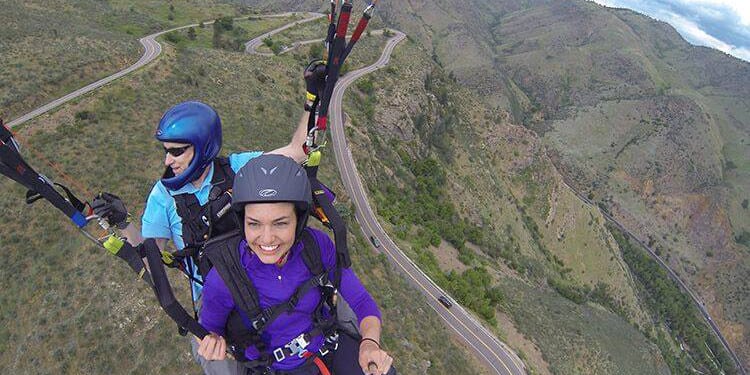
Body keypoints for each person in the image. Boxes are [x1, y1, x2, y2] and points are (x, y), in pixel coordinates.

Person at [92, 100, 311, 375]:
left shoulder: (238, 168)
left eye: (176, 152)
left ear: (203, 146)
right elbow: (152, 263)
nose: (167, 161)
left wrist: (310, 100)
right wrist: (122, 223)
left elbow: (298, 152)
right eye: (166, 152)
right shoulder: (163, 197)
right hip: (214, 297)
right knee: (219, 362)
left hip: (264, 277)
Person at [197, 154, 394, 375]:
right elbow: (209, 329)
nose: (267, 238)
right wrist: (211, 341)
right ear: (242, 222)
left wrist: (369, 344)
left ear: (298, 221)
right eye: (254, 224)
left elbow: (361, 301)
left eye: (280, 223)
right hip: (274, 367)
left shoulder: (316, 246)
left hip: (327, 346)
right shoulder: (226, 275)